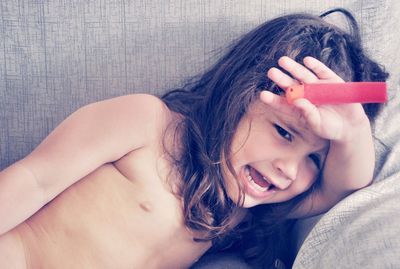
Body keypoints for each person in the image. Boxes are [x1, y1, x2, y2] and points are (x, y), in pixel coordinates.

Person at [0, 8, 388, 269]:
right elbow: (35, 179)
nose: (289, 168)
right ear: (238, 96)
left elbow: (345, 187)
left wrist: (351, 132)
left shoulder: (237, 210)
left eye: (314, 160)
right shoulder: (147, 124)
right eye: (283, 132)